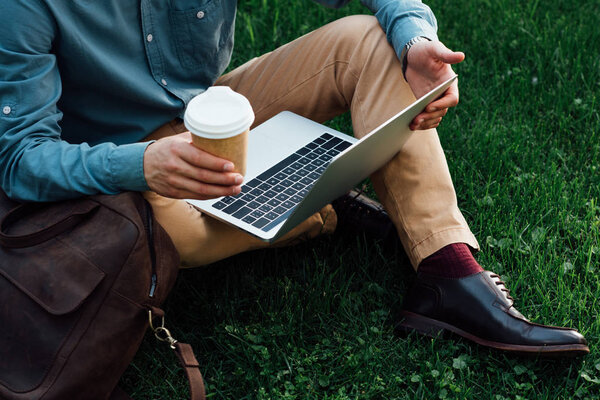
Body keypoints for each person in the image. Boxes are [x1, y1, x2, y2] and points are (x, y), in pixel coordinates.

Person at [0, 0, 588, 357]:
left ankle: (448, 275)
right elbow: (20, 159)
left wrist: (416, 38)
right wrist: (141, 163)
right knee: (175, 234)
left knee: (367, 40)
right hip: (125, 163)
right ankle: (328, 204)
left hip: (215, 110)